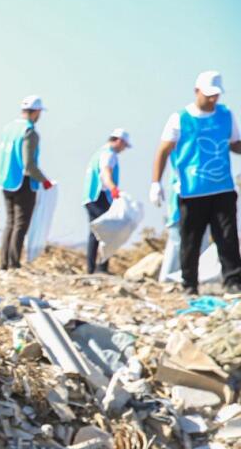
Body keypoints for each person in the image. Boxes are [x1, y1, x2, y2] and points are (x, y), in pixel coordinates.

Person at [150, 70, 241, 294]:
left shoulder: (225, 115)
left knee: (227, 237)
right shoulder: (180, 119)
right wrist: (155, 182)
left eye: (216, 95)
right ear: (196, 91)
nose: (212, 99)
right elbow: (163, 150)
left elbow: (235, 143)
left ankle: (233, 282)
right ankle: (189, 284)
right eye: (208, 94)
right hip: (192, 191)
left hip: (222, 188)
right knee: (190, 240)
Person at [0, 95, 53, 270]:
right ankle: (14, 262)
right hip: (23, 182)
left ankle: (4, 262)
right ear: (36, 112)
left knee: (10, 222)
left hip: (6, 180)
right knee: (20, 223)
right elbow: (28, 164)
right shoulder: (29, 132)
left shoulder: (9, 128)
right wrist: (44, 180)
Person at [82, 128, 132, 274]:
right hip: (100, 196)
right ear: (119, 141)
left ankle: (92, 269)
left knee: (95, 233)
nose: (124, 149)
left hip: (90, 197)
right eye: (124, 145)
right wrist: (113, 189)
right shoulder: (109, 155)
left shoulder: (99, 153)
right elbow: (106, 173)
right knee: (107, 231)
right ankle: (101, 267)